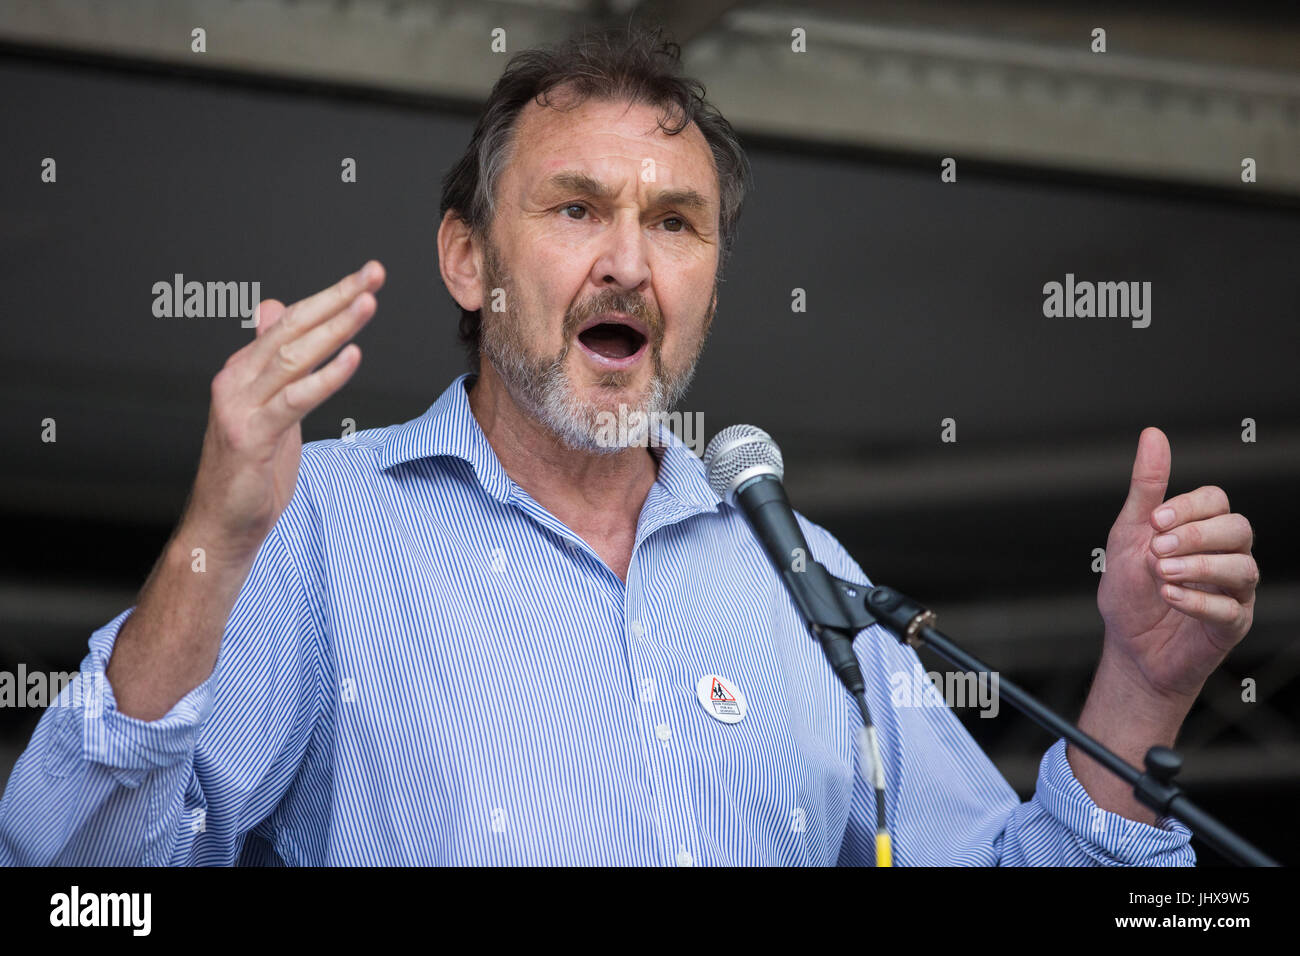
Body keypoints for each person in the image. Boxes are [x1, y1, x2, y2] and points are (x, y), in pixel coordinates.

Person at [0, 27, 1259, 866]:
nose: (628, 260)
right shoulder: (321, 523)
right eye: (574, 207)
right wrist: (217, 541)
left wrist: (1141, 688)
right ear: (468, 259)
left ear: (712, 280)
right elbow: (76, 874)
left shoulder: (798, 574)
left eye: (675, 221)